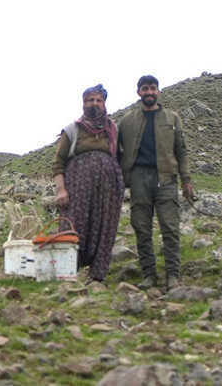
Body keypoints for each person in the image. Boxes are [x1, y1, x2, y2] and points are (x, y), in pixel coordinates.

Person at [117, 75, 194, 290]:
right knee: (141, 227)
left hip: (167, 178)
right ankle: (149, 275)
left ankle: (172, 276)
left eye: (152, 88)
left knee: (170, 227)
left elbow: (181, 151)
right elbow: (114, 146)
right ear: (138, 92)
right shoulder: (127, 121)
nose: (149, 92)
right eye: (145, 88)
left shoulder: (172, 118)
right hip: (138, 178)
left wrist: (186, 180)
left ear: (158, 91)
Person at [52, 84, 124, 284]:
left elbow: (120, 156)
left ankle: (97, 275)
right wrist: (61, 189)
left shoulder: (113, 130)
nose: (94, 104)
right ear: (83, 103)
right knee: (74, 223)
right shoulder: (72, 129)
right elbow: (58, 161)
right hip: (78, 185)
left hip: (108, 187)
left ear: (104, 103)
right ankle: (67, 271)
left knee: (105, 226)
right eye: (90, 100)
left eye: (98, 100)